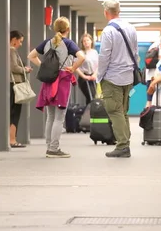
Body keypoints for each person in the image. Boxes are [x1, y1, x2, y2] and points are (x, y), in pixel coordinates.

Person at [29, 17, 85, 158]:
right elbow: (82, 57)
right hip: (62, 81)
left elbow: (31, 55)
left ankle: (50, 146)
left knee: (51, 116)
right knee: (59, 117)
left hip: (49, 80)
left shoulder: (47, 42)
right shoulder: (68, 43)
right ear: (68, 29)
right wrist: (73, 68)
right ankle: (54, 149)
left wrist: (44, 66)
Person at [97, 0, 138, 158]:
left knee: (114, 111)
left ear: (105, 12)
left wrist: (99, 76)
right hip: (128, 77)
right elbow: (135, 53)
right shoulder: (131, 28)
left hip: (112, 77)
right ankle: (125, 142)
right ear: (119, 11)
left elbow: (104, 55)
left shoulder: (108, 31)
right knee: (123, 111)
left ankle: (122, 146)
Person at [9, 30, 32, 148]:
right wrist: (25, 70)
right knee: (15, 113)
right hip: (15, 84)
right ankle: (12, 139)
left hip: (11, 85)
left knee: (12, 112)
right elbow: (13, 67)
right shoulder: (12, 50)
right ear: (14, 40)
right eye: (20, 41)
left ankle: (11, 138)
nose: (20, 44)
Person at [145, 29, 161, 103]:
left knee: (150, 100)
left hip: (150, 76)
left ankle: (147, 114)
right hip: (156, 78)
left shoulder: (153, 45)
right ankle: (150, 114)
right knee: (156, 101)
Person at [76, 33, 99, 105]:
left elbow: (98, 65)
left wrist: (95, 75)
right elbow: (76, 67)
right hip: (84, 77)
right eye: (84, 41)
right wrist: (84, 76)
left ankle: (91, 113)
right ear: (82, 43)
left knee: (93, 97)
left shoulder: (94, 52)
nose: (86, 42)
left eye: (88, 40)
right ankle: (90, 113)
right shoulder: (80, 53)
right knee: (90, 96)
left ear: (91, 41)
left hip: (93, 77)